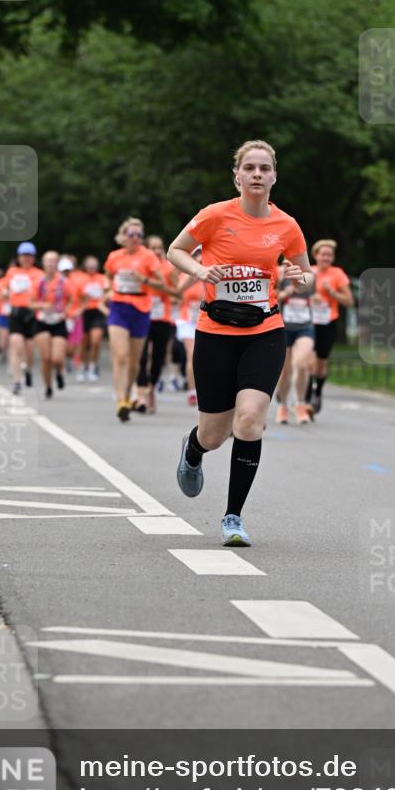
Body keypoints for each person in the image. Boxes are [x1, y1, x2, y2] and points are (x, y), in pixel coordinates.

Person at [168, 139, 312, 547]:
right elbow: (174, 251)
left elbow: (307, 273)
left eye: (264, 168)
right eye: (249, 168)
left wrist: (300, 277)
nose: (256, 174)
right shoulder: (214, 216)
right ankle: (193, 449)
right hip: (215, 333)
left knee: (249, 419)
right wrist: (200, 269)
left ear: (274, 177)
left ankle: (233, 516)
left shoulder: (286, 225)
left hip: (264, 331)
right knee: (214, 434)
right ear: (237, 176)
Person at [104, 218, 165, 421]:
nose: (136, 238)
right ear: (123, 236)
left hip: (141, 308)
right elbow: (108, 276)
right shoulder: (114, 256)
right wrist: (107, 289)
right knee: (120, 355)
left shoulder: (148, 257)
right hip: (119, 306)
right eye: (131, 234)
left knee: (134, 361)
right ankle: (121, 400)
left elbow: (160, 283)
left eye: (139, 235)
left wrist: (143, 280)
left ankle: (128, 393)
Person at [307, 239, 353, 414]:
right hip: (308, 322)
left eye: (329, 255)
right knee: (308, 362)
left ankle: (317, 393)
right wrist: (310, 298)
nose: (326, 257)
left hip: (328, 322)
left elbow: (349, 301)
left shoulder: (337, 274)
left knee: (320, 364)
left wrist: (332, 292)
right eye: (323, 254)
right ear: (316, 255)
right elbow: (296, 295)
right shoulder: (309, 271)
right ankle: (307, 398)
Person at [135, 235, 178, 412]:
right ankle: (141, 394)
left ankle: (151, 388)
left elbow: (177, 292)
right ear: (146, 249)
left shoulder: (169, 268)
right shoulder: (140, 267)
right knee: (142, 356)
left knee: (158, 357)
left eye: (159, 247)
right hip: (142, 315)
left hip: (162, 317)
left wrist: (167, 295)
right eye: (153, 247)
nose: (157, 251)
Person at [0, 242, 43, 395]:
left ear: (33, 258)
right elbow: (3, 286)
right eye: (24, 256)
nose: (26, 259)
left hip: (31, 314)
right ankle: (17, 382)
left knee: (29, 350)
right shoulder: (12, 272)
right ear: (19, 257)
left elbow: (43, 293)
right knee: (16, 346)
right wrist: (4, 291)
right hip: (16, 313)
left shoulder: (39, 274)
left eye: (29, 256)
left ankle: (28, 369)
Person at [274, 265, 316, 425]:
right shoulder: (279, 276)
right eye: (286, 263)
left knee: (302, 364)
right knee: (285, 372)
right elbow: (270, 297)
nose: (289, 266)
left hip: (305, 326)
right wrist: (285, 293)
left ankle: (299, 404)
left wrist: (317, 299)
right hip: (283, 327)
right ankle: (283, 406)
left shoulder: (309, 276)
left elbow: (318, 297)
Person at [32, 251, 74, 399]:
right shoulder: (38, 282)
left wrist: (65, 313)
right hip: (42, 321)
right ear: (43, 263)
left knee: (57, 358)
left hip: (58, 321)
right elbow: (30, 303)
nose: (50, 264)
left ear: (57, 264)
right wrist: (42, 305)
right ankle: (48, 387)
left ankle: (59, 372)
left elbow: (71, 301)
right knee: (46, 358)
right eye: (47, 261)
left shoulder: (64, 282)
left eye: (53, 261)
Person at [175, 248, 204, 407]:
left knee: (207, 357)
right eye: (196, 255)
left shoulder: (213, 274)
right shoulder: (185, 275)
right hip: (187, 319)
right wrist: (195, 273)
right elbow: (177, 291)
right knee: (192, 354)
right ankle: (192, 391)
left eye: (203, 254)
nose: (200, 257)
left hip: (207, 319)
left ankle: (205, 389)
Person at [77, 255, 108, 383]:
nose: (92, 269)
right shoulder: (80, 279)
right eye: (89, 266)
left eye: (94, 266)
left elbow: (108, 292)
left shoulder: (102, 278)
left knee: (95, 341)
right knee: (84, 343)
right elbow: (76, 297)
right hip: (85, 312)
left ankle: (93, 366)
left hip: (98, 312)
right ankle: (82, 366)